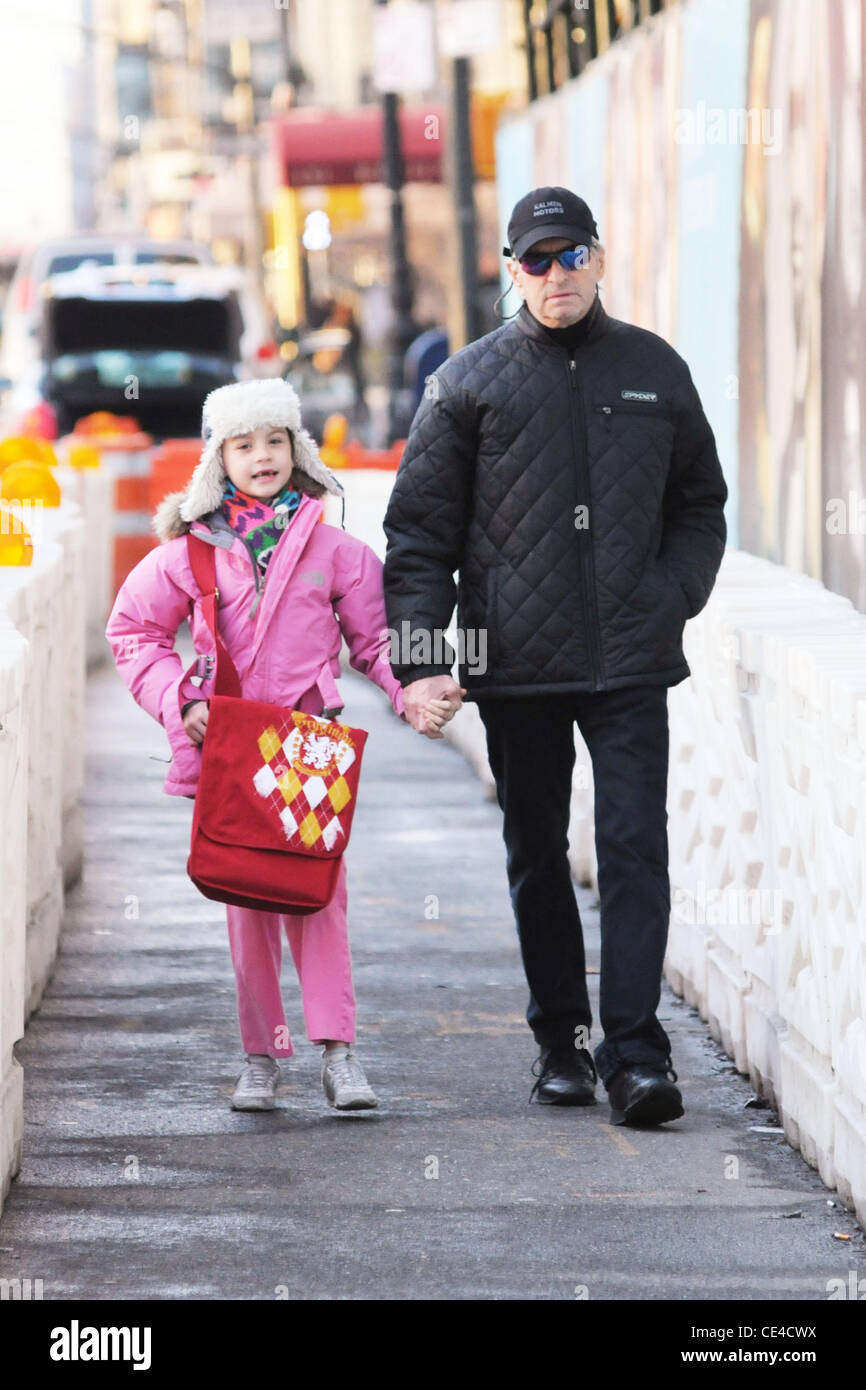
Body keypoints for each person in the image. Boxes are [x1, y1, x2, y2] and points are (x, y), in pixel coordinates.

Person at [382, 186, 728, 1127]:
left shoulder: (655, 368)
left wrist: (671, 599)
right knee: (537, 852)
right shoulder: (466, 384)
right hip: (515, 667)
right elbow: (417, 537)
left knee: (631, 849)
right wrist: (419, 663)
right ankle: (559, 1043)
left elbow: (700, 504)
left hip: (631, 663)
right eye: (536, 259)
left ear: (599, 258)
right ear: (513, 271)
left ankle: (637, 1054)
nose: (556, 274)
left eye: (571, 254)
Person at [105, 378, 452, 1113]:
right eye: (243, 443)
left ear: (296, 450)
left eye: (274, 440)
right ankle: (260, 1057)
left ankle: (339, 1055)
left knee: (319, 896)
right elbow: (131, 632)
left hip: (307, 752)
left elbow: (377, 641)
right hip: (230, 752)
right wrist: (179, 700)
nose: (261, 456)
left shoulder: (338, 551)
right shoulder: (187, 554)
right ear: (218, 459)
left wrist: (413, 689)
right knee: (246, 904)